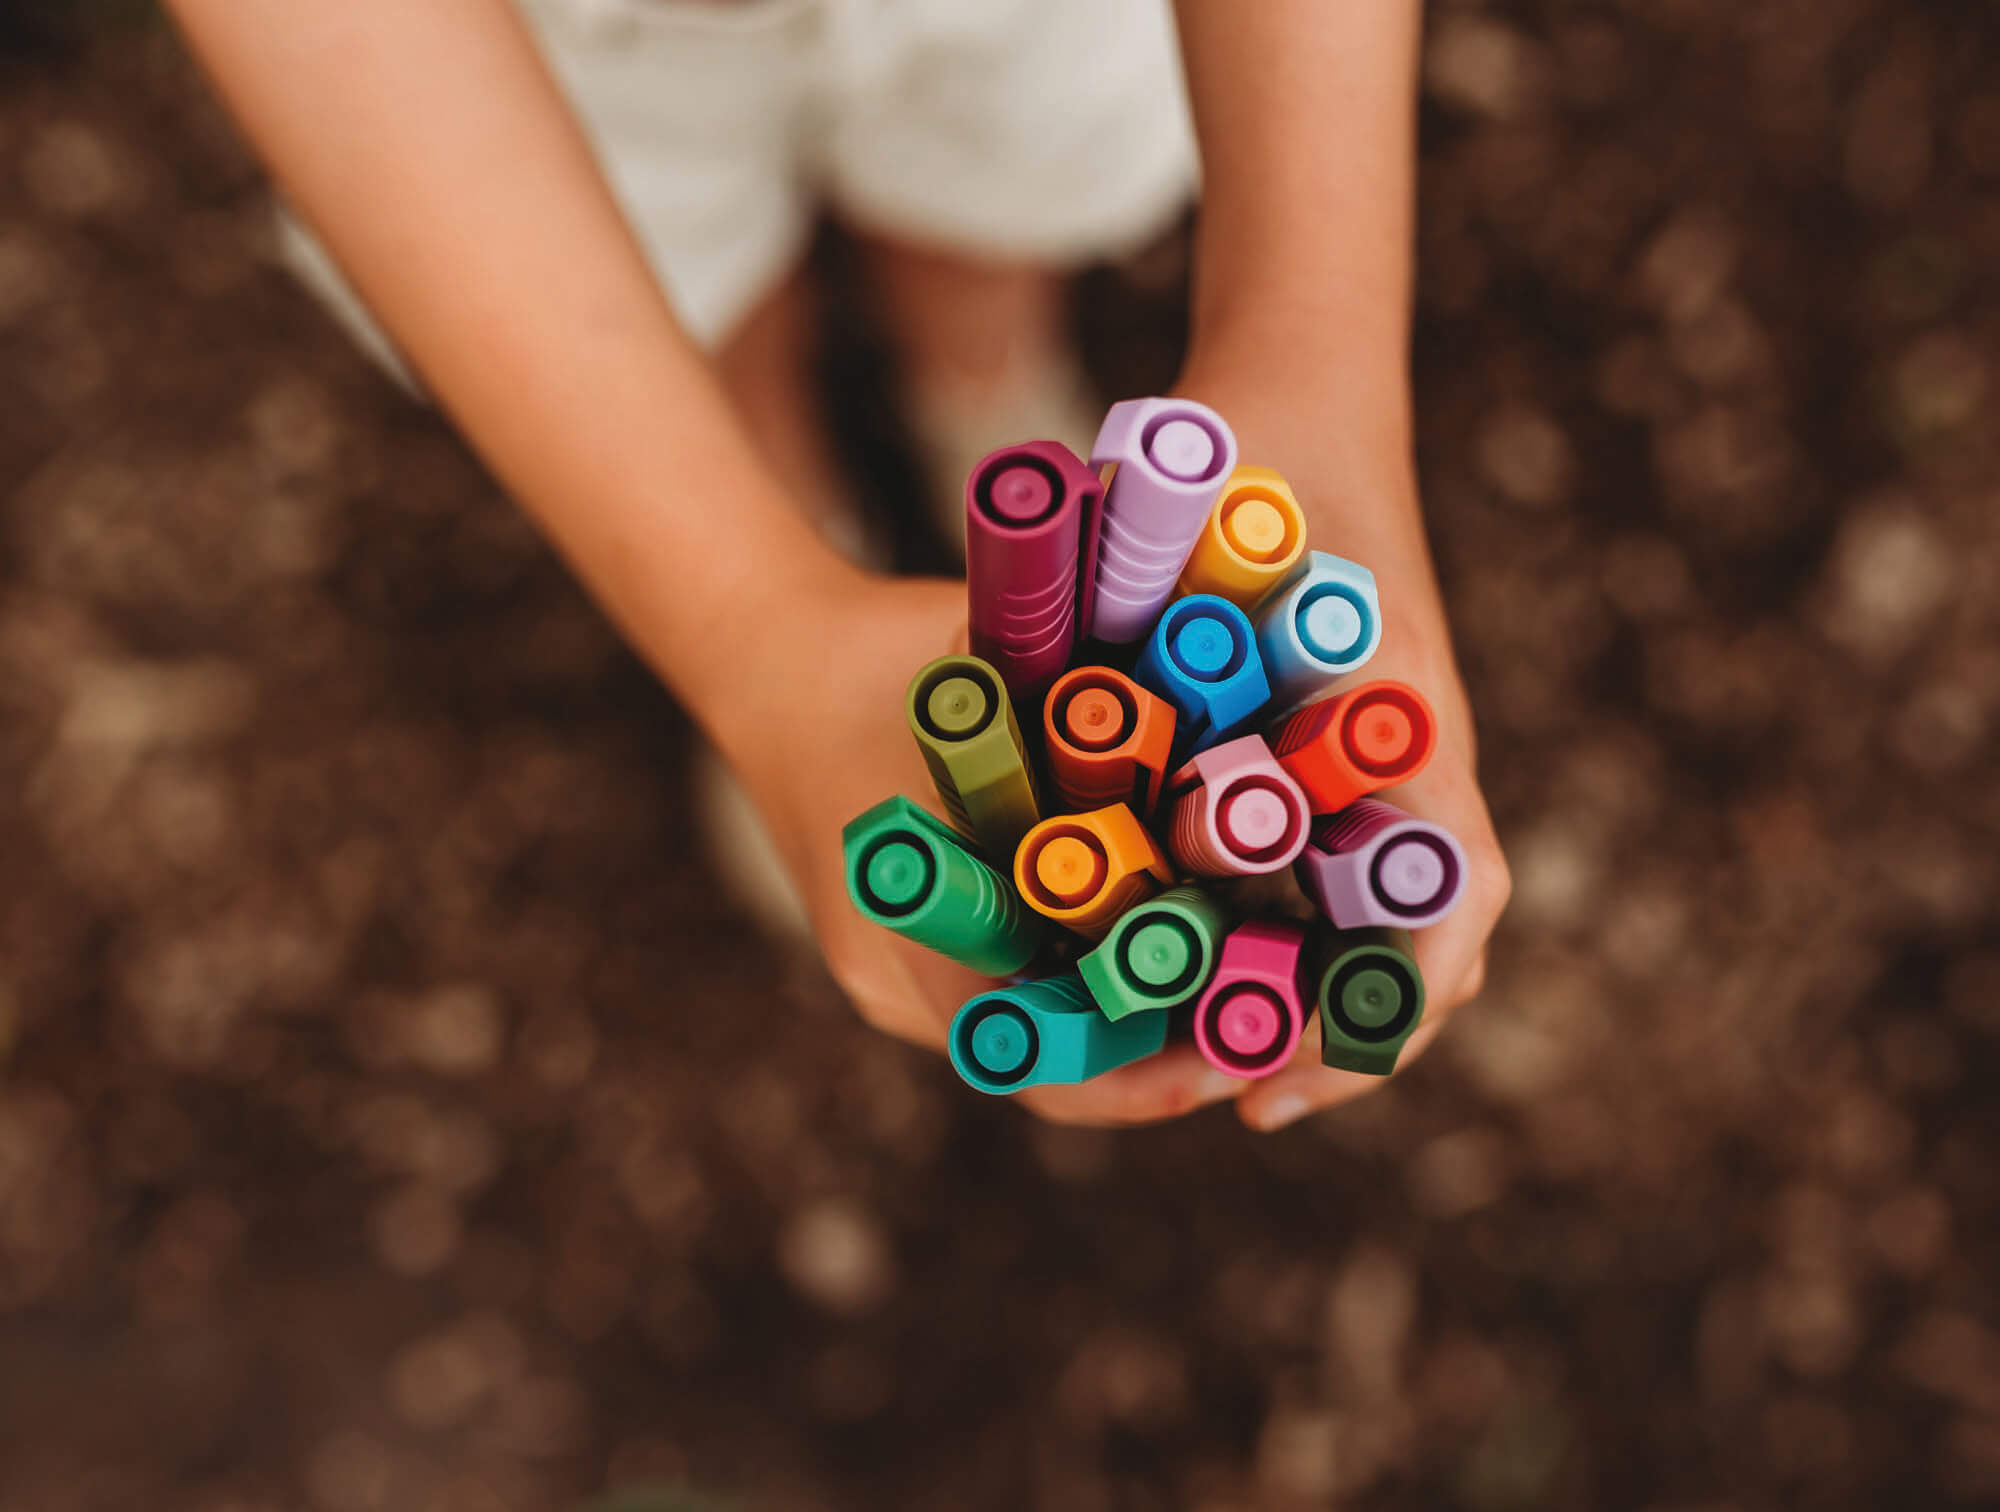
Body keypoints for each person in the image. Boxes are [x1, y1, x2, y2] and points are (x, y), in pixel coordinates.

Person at [162, 0, 1509, 1132]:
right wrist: (752, 628)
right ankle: (785, 508)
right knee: (680, 302)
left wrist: (1314, 341)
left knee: (998, 201)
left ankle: (983, 395)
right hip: (519, 54)